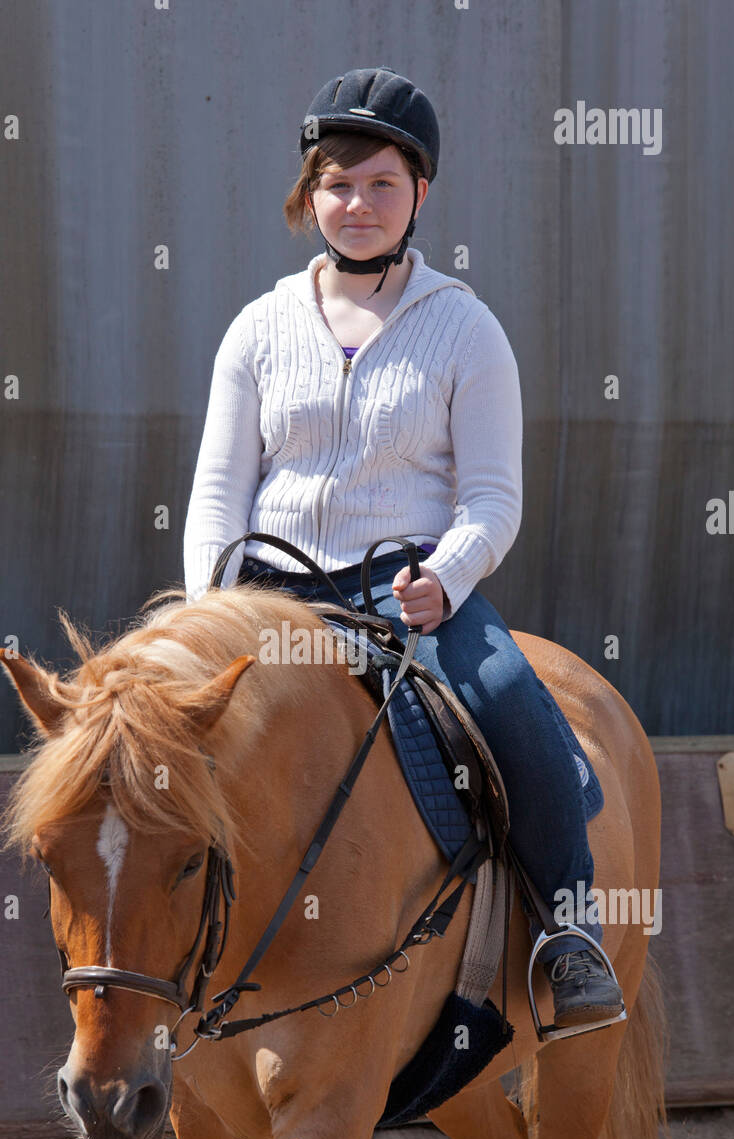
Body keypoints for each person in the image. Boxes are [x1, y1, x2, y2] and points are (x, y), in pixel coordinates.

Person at [183, 66, 624, 1030]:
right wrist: (204, 608)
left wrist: (449, 578)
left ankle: (571, 931)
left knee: (510, 695)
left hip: (406, 590)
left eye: (382, 183)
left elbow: (494, 498)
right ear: (310, 195)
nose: (358, 203)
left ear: (421, 194)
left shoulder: (467, 330)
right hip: (271, 594)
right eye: (338, 183)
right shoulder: (258, 329)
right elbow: (218, 491)